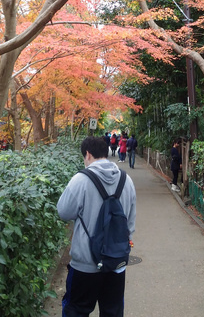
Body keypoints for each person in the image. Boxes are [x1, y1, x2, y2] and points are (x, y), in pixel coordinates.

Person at [57, 136, 136, 317]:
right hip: (116, 262)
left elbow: (63, 212)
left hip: (85, 263)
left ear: (88, 154)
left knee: (76, 309)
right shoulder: (126, 180)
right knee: (112, 311)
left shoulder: (80, 180)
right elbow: (129, 222)